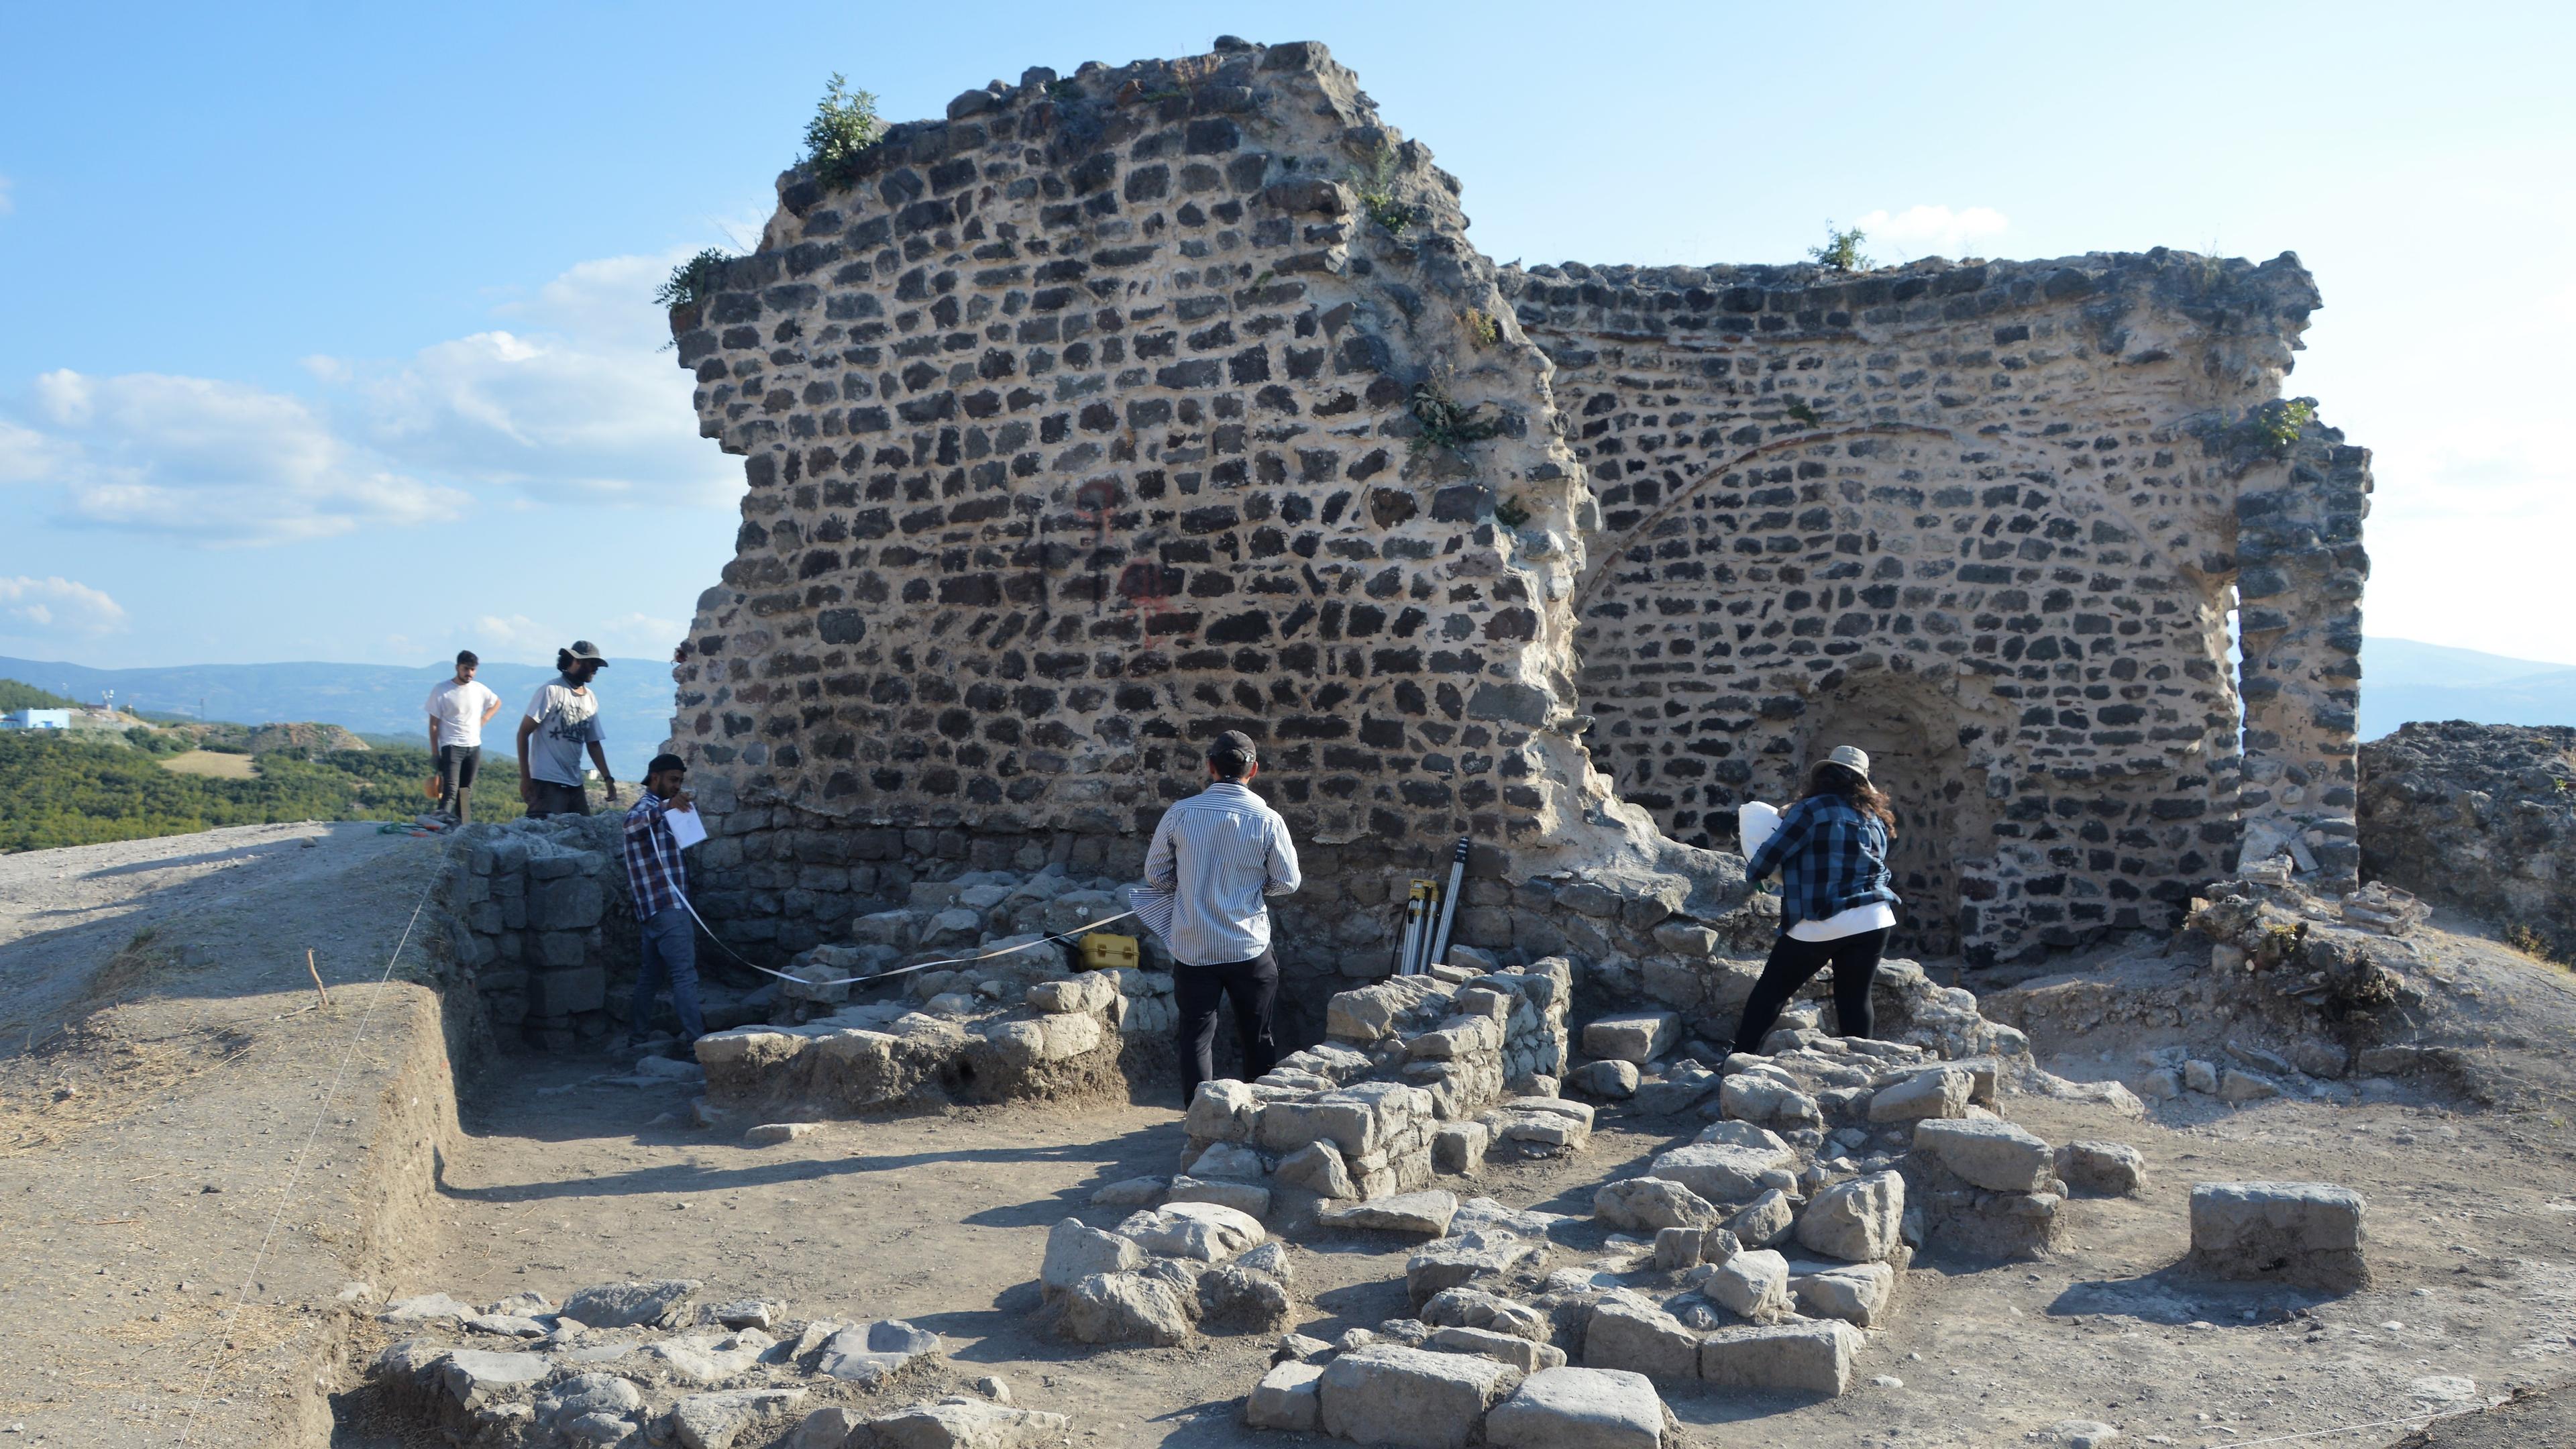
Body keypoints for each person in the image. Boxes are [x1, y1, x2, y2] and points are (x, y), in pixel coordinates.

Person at [1141, 730, 1301, 1106]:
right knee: (1258, 1035)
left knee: (1196, 1037)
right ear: (1255, 770)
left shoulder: (1180, 813)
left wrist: (1192, 886)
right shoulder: (1267, 819)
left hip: (1193, 946)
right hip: (1248, 945)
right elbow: (1288, 881)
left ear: (1210, 767)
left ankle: (1200, 1120)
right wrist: (1250, 891)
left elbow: (1156, 876)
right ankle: (1261, 1117)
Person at [1731, 745, 1904, 1055]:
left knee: (1770, 993)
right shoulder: (1875, 817)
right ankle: (1863, 1068)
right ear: (1863, 783)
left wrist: (1755, 876)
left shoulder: (1810, 809)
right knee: (1855, 999)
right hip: (1875, 917)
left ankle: (1738, 1057)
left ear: (1823, 776)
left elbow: (1770, 854)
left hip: (1822, 917)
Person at [621, 752, 704, 1046]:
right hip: (667, 907)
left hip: (654, 911)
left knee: (650, 978)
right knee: (684, 976)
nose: (676, 787)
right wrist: (667, 806)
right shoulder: (646, 807)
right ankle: (699, 1046)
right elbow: (630, 824)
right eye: (672, 780)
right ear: (654, 778)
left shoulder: (664, 808)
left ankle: (638, 1037)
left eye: (680, 782)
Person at [517, 641, 614, 818]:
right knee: (544, 835)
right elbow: (523, 733)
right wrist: (526, 778)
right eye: (592, 664)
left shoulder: (590, 698)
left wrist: (608, 779)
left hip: (575, 784)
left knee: (584, 836)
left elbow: (593, 744)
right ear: (576, 661)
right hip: (546, 782)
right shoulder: (551, 691)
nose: (595, 669)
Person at [424, 650, 502, 823]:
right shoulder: (442, 690)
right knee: (450, 790)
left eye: (473, 670)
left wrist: (484, 719)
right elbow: (434, 725)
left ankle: (464, 826)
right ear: (457, 668)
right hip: (451, 746)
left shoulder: (479, 689)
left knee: (466, 790)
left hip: (474, 746)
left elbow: (497, 702)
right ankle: (440, 825)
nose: (470, 673)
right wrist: (435, 754)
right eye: (466, 669)